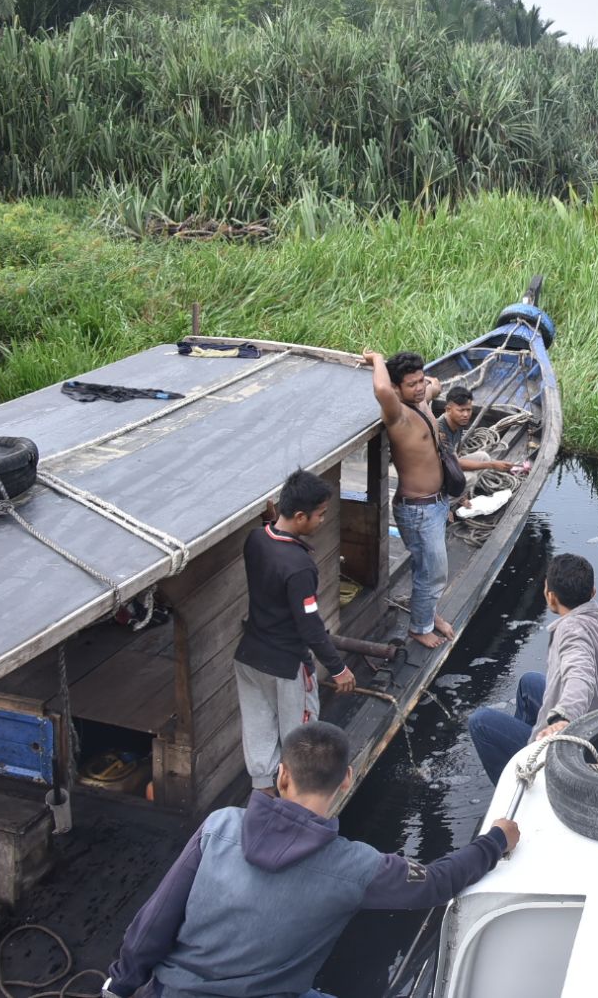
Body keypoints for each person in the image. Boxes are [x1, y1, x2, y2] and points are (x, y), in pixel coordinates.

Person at [102, 722, 520, 998]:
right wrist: (495, 839)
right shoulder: (358, 867)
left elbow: (153, 922)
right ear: (347, 779)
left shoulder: (219, 827)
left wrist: (118, 987)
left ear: (282, 775)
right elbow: (435, 883)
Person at [234, 470, 355, 796]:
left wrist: (270, 518)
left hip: (249, 658)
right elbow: (310, 628)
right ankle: (296, 809)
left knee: (259, 737)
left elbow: (269, 530)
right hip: (287, 666)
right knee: (301, 743)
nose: (322, 520)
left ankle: (263, 800)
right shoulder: (299, 566)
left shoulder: (256, 540)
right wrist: (338, 667)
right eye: (320, 515)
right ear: (300, 516)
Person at [466, 553, 598, 783]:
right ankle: (526, 752)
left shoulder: (570, 630)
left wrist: (562, 718)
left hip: (588, 746)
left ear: (550, 597)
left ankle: (519, 781)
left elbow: (581, 675)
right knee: (529, 682)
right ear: (593, 593)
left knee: (480, 721)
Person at [361, 349, 454, 648]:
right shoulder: (397, 414)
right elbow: (381, 389)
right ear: (398, 388)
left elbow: (434, 383)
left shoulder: (422, 401)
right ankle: (419, 627)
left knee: (430, 569)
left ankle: (429, 612)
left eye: (419, 381)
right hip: (418, 510)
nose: (419, 387)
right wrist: (376, 360)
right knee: (432, 570)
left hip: (437, 503)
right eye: (411, 384)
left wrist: (428, 385)